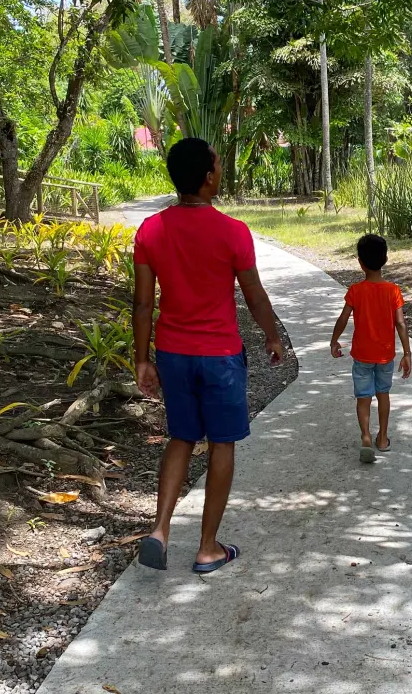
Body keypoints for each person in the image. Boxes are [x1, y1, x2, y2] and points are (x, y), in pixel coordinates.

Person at [132, 137, 283, 573]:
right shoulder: (232, 231)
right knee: (221, 444)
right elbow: (253, 294)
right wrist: (272, 336)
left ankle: (160, 530)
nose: (219, 172)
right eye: (217, 167)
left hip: (174, 355)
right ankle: (207, 547)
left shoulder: (152, 230)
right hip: (219, 356)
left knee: (181, 437)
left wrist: (143, 360)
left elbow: (144, 304)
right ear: (208, 178)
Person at [330, 233, 411, 463]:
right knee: (383, 394)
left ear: (360, 262)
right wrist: (407, 353)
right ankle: (383, 439)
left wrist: (334, 340)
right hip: (385, 356)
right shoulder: (393, 291)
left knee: (363, 397)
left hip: (362, 356)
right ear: (385, 259)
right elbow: (400, 323)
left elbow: (343, 318)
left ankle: (366, 436)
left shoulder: (356, 291)